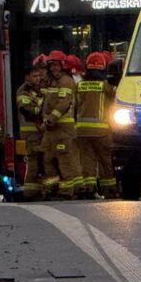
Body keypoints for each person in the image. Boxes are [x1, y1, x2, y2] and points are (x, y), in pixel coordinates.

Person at [40, 49, 82, 199]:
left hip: (63, 128)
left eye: (56, 65)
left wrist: (50, 120)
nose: (53, 68)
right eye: (51, 66)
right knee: (48, 158)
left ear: (63, 65)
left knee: (64, 160)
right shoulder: (53, 82)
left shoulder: (66, 81)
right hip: (51, 130)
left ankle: (67, 191)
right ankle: (52, 188)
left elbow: (63, 104)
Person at [76, 52, 117, 198]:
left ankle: (89, 188)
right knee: (105, 161)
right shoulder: (106, 86)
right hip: (102, 131)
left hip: (81, 131)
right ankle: (110, 190)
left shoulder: (79, 85)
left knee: (87, 161)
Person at [16, 55, 47, 200]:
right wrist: (40, 105)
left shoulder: (39, 89)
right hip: (31, 132)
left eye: (38, 76)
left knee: (42, 160)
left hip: (39, 132)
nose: (38, 78)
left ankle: (40, 190)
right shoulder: (23, 91)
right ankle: (30, 192)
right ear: (27, 77)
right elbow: (27, 110)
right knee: (33, 161)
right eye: (34, 76)